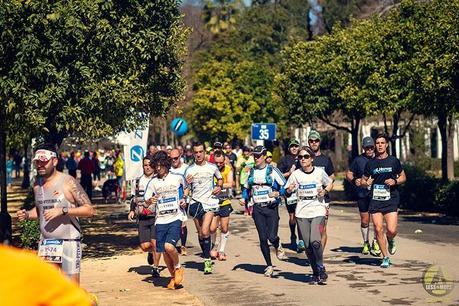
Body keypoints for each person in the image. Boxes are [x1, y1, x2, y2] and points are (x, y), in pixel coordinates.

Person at [17, 143, 95, 284]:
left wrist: (63, 211)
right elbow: (41, 211)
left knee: (70, 289)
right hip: (47, 244)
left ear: (54, 161)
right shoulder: (37, 185)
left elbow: (89, 210)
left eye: (44, 161)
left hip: (68, 243)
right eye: (37, 162)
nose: (40, 165)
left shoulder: (68, 181)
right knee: (48, 288)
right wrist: (27, 214)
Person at [285, 146, 333, 284]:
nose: (303, 159)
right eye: (300, 157)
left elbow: (330, 184)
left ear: (311, 158)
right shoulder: (296, 174)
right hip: (301, 212)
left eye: (306, 157)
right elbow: (287, 191)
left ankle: (321, 267)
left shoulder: (319, 172)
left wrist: (324, 191)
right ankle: (315, 272)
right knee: (307, 245)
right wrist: (289, 189)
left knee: (315, 241)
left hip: (318, 209)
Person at [239, 145, 287, 278]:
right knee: (262, 238)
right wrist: (244, 198)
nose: (256, 158)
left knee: (272, 236)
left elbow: (286, 185)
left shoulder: (273, 170)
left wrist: (278, 193)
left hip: (271, 208)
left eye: (259, 156)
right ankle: (269, 265)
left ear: (265, 156)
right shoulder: (251, 171)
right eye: (254, 156)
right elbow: (246, 188)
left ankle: (278, 244)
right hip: (257, 208)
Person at [361, 134, 406, 268]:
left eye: (382, 143)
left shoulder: (393, 161)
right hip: (375, 200)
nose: (380, 145)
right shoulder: (371, 163)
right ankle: (385, 257)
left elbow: (403, 177)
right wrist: (365, 182)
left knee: (391, 230)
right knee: (378, 228)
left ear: (386, 145)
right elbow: (363, 181)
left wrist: (395, 181)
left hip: (391, 198)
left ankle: (390, 240)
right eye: (378, 143)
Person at [145, 152, 187, 290]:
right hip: (160, 220)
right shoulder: (153, 182)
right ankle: (173, 278)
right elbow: (146, 203)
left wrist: (183, 199)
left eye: (161, 165)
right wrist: (150, 201)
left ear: (166, 165)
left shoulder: (177, 178)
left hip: (175, 218)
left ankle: (178, 267)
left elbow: (185, 189)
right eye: (156, 166)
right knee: (164, 252)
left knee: (170, 247)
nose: (158, 168)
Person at [0, 245, 94, 305]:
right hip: (47, 242)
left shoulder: (26, 267)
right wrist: (28, 215)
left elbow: (89, 212)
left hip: (69, 241)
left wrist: (62, 212)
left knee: (71, 284)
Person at [185, 141, 223, 274]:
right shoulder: (190, 169)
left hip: (209, 202)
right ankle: (206, 253)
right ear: (193, 154)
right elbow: (186, 189)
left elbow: (220, 179)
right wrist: (187, 186)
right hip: (195, 202)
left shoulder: (212, 167)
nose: (198, 154)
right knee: (201, 233)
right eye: (196, 152)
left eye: (201, 152)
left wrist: (219, 187)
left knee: (206, 231)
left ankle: (207, 260)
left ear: (205, 152)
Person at [346, 136, 380, 256]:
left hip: (377, 194)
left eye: (371, 147)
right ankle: (366, 243)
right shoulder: (358, 160)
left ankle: (376, 241)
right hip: (362, 194)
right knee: (365, 221)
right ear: (363, 148)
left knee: (377, 222)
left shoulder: (379, 158)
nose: (370, 150)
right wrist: (354, 180)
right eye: (367, 148)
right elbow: (349, 173)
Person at [128, 156, 161, 278]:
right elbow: (133, 198)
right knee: (145, 246)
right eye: (145, 165)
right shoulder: (137, 181)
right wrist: (132, 210)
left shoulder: (158, 180)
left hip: (156, 217)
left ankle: (156, 268)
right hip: (142, 217)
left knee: (155, 243)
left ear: (154, 166)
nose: (147, 167)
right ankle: (151, 254)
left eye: (149, 165)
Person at [308, 130, 335, 250]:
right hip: (307, 199)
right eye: (311, 141)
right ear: (308, 142)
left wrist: (325, 186)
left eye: (316, 141)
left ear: (319, 142)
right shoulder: (304, 159)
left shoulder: (326, 159)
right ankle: (312, 252)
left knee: (321, 228)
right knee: (309, 231)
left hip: (323, 199)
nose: (314, 143)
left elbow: (332, 176)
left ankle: (319, 258)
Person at [277, 139, 302, 251]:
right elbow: (278, 175)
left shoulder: (303, 158)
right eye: (292, 146)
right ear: (289, 148)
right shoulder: (284, 160)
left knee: (301, 215)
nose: (294, 148)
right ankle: (293, 234)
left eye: (296, 146)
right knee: (293, 216)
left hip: (302, 190)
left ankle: (301, 240)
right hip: (289, 191)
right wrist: (289, 173)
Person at [210, 152, 234, 261]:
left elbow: (230, 183)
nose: (219, 164)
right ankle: (214, 246)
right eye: (216, 163)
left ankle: (222, 250)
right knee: (212, 228)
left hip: (224, 202)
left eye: (221, 162)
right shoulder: (210, 170)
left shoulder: (228, 169)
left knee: (224, 227)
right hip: (213, 202)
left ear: (224, 161)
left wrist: (218, 186)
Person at [170, 148, 189, 256]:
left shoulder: (187, 168)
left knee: (182, 224)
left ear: (180, 156)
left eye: (176, 158)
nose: (174, 160)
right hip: (171, 200)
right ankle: (173, 243)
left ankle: (183, 245)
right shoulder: (168, 169)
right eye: (171, 159)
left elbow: (190, 184)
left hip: (184, 199)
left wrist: (185, 197)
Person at [236, 146, 254, 215]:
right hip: (243, 180)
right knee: (245, 195)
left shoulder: (252, 158)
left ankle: (251, 209)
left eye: (247, 151)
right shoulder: (240, 159)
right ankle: (246, 209)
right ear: (243, 152)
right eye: (245, 151)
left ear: (249, 152)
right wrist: (241, 166)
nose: (246, 153)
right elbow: (237, 170)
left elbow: (256, 166)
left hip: (251, 179)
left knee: (251, 195)